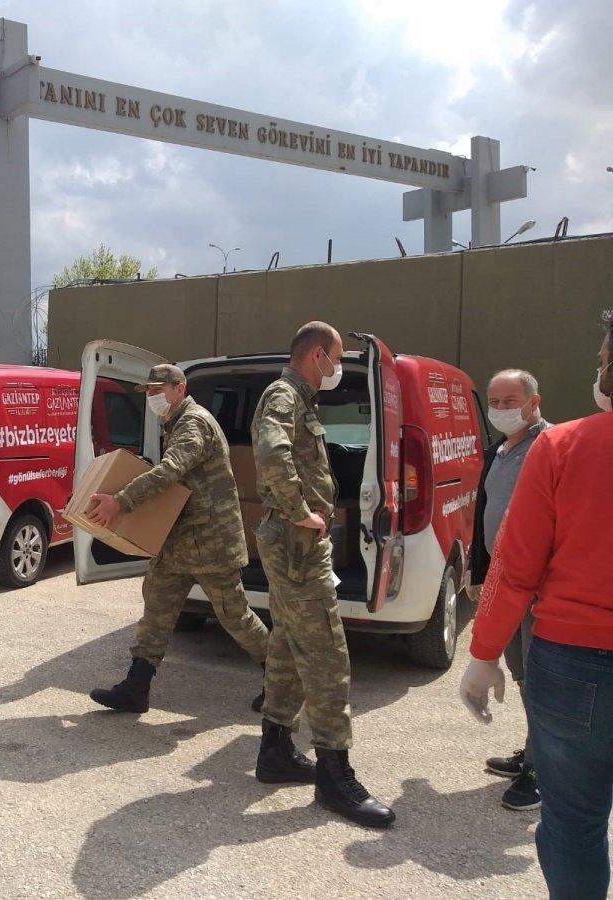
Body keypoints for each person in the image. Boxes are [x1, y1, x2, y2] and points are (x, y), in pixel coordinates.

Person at [460, 310, 613, 899]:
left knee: (575, 819)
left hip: (574, 661)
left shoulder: (562, 446)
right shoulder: (521, 450)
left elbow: (515, 567)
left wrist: (481, 655)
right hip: (573, 658)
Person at [250, 321, 394, 828]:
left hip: (296, 543)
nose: (338, 367)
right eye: (336, 357)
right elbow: (271, 453)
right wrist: (298, 510)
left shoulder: (299, 398)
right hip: (297, 545)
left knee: (288, 643)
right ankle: (336, 774)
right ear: (317, 355)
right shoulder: (285, 395)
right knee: (328, 654)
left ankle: (275, 751)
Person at [86, 363, 271, 714]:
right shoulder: (174, 422)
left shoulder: (193, 422)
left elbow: (170, 471)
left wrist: (121, 502)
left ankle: (282, 681)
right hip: (180, 540)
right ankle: (135, 688)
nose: (153, 397)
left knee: (234, 615)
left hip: (211, 541)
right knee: (156, 607)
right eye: (149, 392)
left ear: (180, 388)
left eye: (159, 389)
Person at [467, 369, 550, 811]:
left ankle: (542, 771)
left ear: (534, 402)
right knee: (521, 673)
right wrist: (479, 571)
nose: (500, 410)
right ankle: (535, 754)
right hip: (507, 585)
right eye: (494, 402)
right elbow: (486, 510)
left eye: (510, 400)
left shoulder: (551, 446)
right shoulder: (499, 450)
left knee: (542, 679)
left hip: (541, 590)